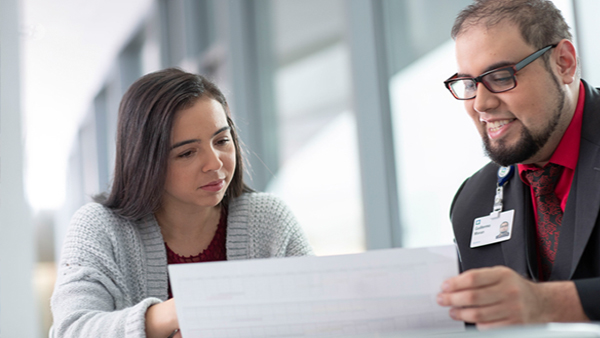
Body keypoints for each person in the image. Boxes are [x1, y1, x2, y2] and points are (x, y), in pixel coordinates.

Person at [50, 68, 313, 338]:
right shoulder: (98, 228)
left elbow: (319, 315)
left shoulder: (269, 219)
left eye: (222, 140)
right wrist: (177, 312)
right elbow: (71, 330)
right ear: (145, 161)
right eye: (187, 153)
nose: (215, 163)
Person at [436, 0, 600, 329]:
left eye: (500, 76)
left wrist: (548, 303)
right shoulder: (472, 202)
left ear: (564, 64)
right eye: (469, 84)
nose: (481, 104)